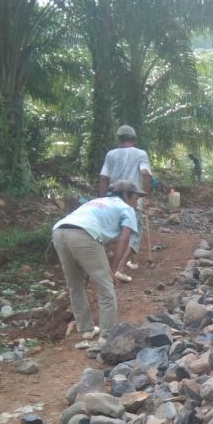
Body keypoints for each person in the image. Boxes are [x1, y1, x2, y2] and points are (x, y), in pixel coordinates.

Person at [52, 180, 142, 345]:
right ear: (126, 195)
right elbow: (124, 238)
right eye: (136, 197)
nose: (137, 202)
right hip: (84, 233)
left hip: (59, 231)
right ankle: (108, 336)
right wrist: (113, 269)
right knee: (106, 285)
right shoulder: (127, 209)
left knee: (75, 285)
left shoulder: (98, 202)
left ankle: (86, 330)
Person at [98, 125, 152, 280]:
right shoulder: (140, 154)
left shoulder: (111, 154)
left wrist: (101, 199)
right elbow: (145, 174)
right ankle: (119, 268)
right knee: (133, 232)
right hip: (131, 198)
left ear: (119, 138)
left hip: (112, 198)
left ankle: (113, 262)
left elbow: (103, 178)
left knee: (114, 230)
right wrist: (146, 196)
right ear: (134, 138)